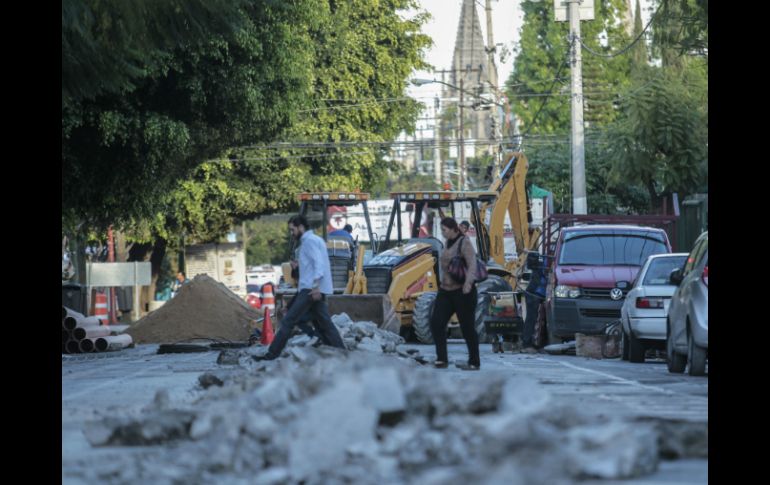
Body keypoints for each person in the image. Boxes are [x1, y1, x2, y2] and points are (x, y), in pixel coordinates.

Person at [253, 215, 346, 360]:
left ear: (301, 227)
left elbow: (318, 266)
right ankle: (341, 354)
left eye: (293, 230)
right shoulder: (313, 241)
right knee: (324, 323)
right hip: (312, 289)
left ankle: (271, 354)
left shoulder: (309, 242)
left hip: (310, 290)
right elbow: (305, 275)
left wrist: (315, 287)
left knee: (288, 321)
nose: (292, 233)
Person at [430, 217, 480, 371]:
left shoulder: (464, 242)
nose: (443, 233)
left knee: (467, 328)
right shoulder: (447, 243)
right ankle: (442, 359)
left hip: (463, 291)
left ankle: (474, 362)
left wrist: (468, 283)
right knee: (436, 322)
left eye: (444, 230)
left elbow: (472, 264)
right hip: (446, 291)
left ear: (453, 229)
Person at [520, 252, 548, 354]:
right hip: (534, 293)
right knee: (531, 319)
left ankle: (537, 344)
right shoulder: (545, 262)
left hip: (538, 293)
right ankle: (526, 344)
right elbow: (544, 279)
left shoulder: (546, 260)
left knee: (539, 320)